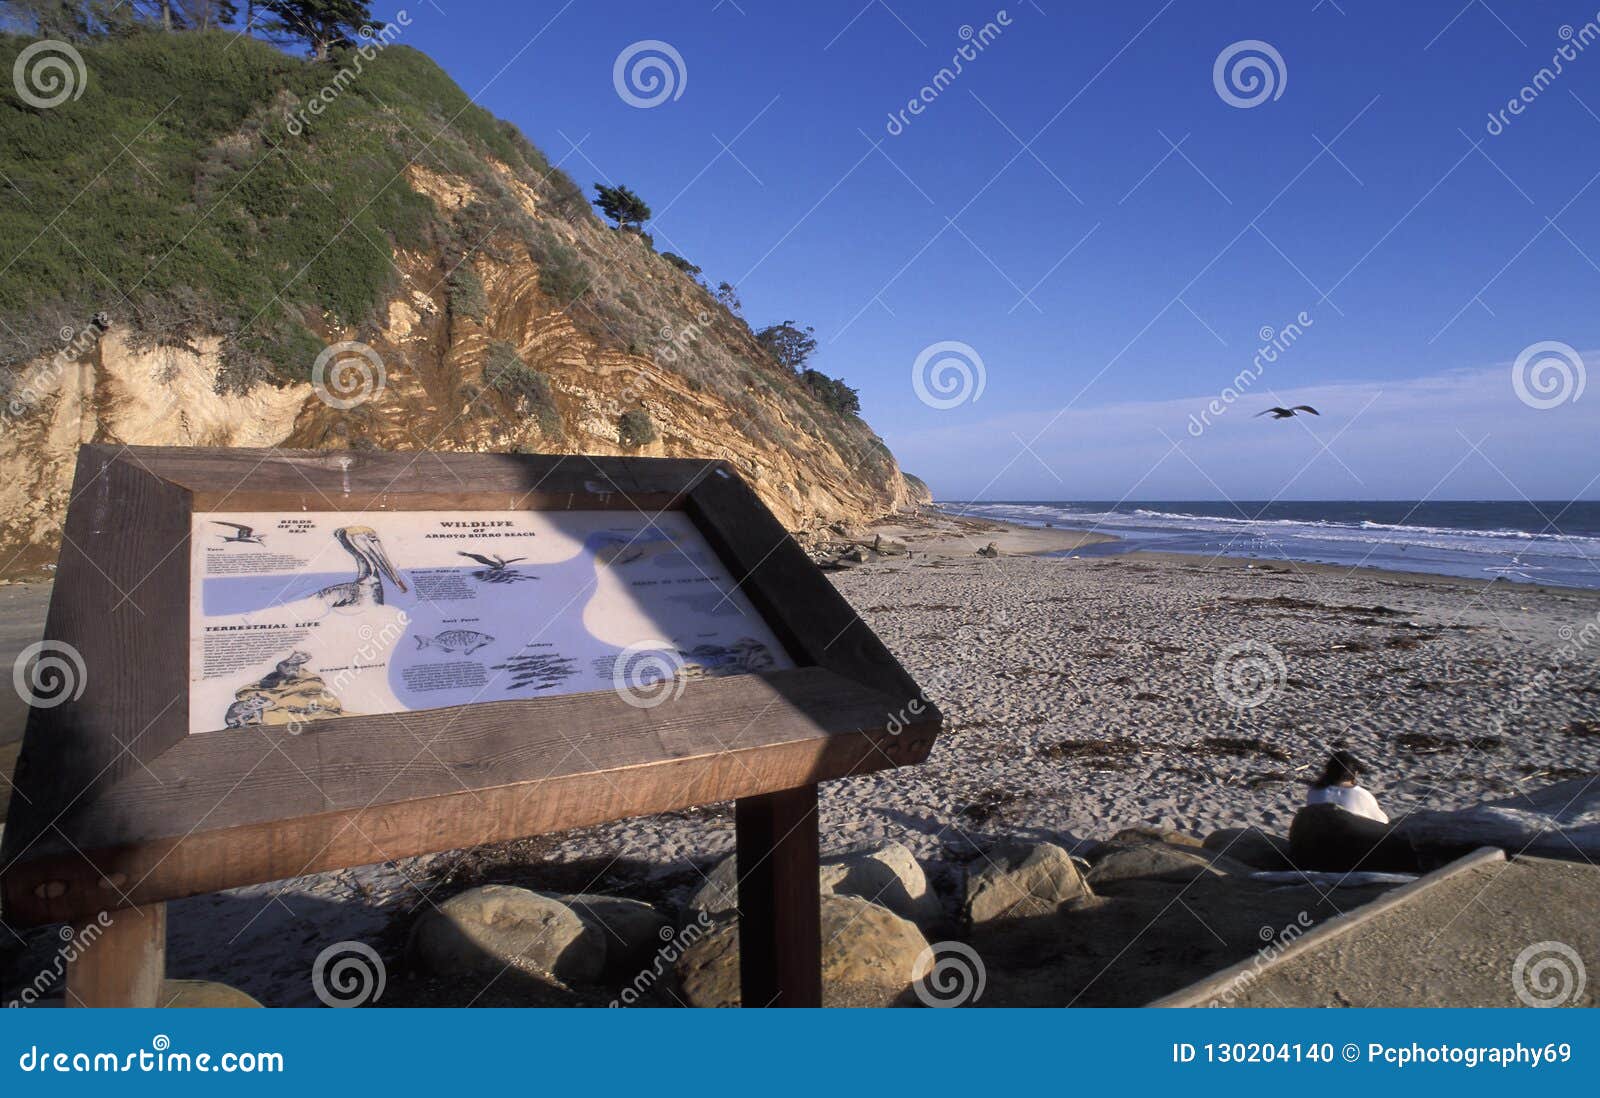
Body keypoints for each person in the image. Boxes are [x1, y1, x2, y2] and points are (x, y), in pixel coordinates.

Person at [1288, 750, 1419, 873]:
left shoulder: (1314, 791)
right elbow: (1382, 824)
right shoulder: (1362, 794)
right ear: (1354, 773)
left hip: (1314, 851)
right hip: (1350, 853)